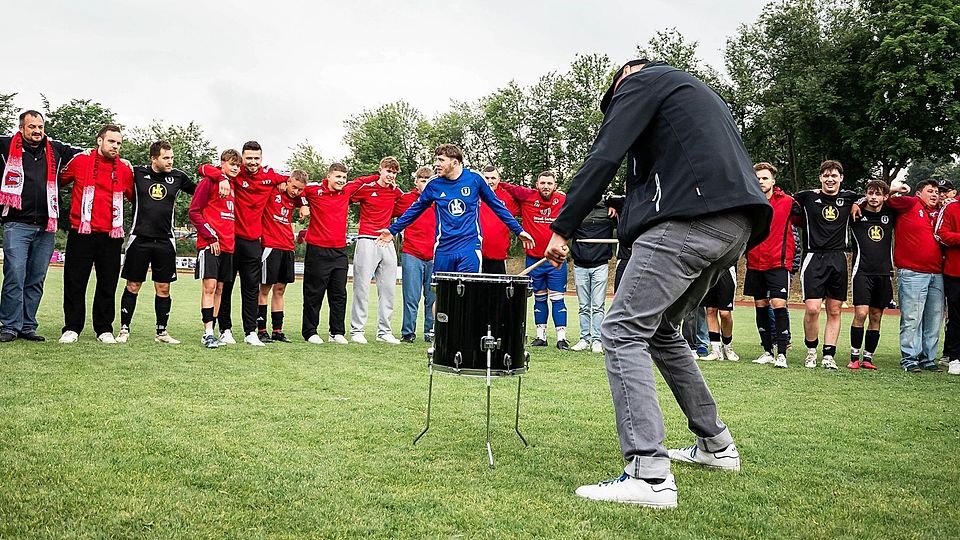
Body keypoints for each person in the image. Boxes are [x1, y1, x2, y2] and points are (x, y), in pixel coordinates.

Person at [544, 59, 771, 508]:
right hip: (734, 227)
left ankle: (648, 474)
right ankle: (716, 445)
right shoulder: (697, 97)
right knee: (662, 330)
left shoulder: (642, 81)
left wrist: (564, 225)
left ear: (625, 77)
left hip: (689, 222)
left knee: (621, 329)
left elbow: (605, 155)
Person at [378, 144, 533, 274]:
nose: (436, 164)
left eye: (441, 160)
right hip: (443, 248)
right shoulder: (434, 184)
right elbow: (415, 210)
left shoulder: (474, 178)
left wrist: (519, 231)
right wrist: (393, 230)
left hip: (469, 246)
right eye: (436, 160)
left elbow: (497, 206)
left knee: (467, 294)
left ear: (454, 162)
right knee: (442, 298)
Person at [0, 110, 81, 342]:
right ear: (21, 128)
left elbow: (87, 155)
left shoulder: (55, 148)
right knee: (15, 274)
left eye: (40, 127)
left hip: (47, 224)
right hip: (16, 223)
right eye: (32, 127)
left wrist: (120, 159)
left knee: (36, 278)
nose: (37, 131)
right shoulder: (6, 145)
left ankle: (27, 325)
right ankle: (9, 326)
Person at [198, 141, 288, 346]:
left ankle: (250, 332)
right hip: (230, 240)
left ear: (262, 159)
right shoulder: (234, 174)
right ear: (242, 158)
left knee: (251, 288)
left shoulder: (270, 176)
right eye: (249, 158)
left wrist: (302, 202)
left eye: (257, 158)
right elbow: (202, 167)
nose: (252, 162)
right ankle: (225, 329)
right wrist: (221, 177)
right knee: (225, 287)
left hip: (253, 242)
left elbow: (292, 181)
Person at [58, 124, 134, 344]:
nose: (115, 147)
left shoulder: (124, 169)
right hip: (81, 231)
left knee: (107, 283)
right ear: (99, 141)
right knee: (75, 282)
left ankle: (103, 328)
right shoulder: (80, 161)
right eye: (111, 142)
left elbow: (135, 198)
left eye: (119, 143)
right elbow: (57, 180)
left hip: (111, 235)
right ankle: (72, 327)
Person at [117, 141, 196, 345]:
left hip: (165, 241)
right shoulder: (137, 173)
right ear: (154, 158)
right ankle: (124, 329)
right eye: (166, 158)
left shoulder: (178, 177)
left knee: (163, 288)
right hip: (139, 239)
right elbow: (116, 169)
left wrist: (218, 177)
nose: (170, 161)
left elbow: (201, 191)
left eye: (171, 157)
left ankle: (161, 332)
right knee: (133, 285)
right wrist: (122, 161)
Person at [792, 160, 858, 369]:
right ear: (820, 178)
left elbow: (874, 196)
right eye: (826, 176)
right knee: (812, 308)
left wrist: (859, 203)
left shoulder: (850, 198)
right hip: (814, 257)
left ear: (841, 178)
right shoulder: (807, 197)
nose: (830, 179)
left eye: (834, 176)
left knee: (835, 309)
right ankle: (811, 351)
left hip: (838, 257)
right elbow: (783, 202)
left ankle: (829, 355)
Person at [879, 179, 944, 372]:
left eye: (936, 192)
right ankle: (910, 358)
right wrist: (896, 189)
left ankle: (928, 358)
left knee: (933, 319)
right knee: (912, 318)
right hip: (913, 272)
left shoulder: (940, 212)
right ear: (918, 193)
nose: (934, 194)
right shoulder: (910, 203)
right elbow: (881, 196)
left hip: (937, 273)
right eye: (930, 191)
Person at [501, 171, 570, 350]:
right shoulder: (527, 198)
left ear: (555, 185)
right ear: (536, 184)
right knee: (539, 298)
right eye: (543, 183)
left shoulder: (562, 200)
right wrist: (494, 181)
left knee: (557, 298)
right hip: (534, 260)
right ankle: (541, 336)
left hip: (556, 259)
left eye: (549, 183)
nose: (546, 186)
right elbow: (504, 186)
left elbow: (582, 203)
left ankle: (561, 338)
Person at [299, 163, 365, 345]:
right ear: (328, 176)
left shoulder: (347, 190)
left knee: (339, 293)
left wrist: (384, 178)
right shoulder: (314, 190)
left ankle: (336, 332)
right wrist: (304, 205)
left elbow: (363, 180)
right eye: (337, 177)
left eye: (344, 178)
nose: (341, 181)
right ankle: (310, 331)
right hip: (317, 249)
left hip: (339, 251)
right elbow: (299, 189)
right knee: (314, 293)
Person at [745, 162, 796, 368]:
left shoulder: (788, 202)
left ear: (773, 181)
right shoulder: (748, 202)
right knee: (760, 306)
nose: (761, 182)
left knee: (779, 305)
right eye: (757, 178)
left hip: (778, 263)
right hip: (755, 264)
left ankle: (781, 354)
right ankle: (767, 350)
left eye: (765, 178)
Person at [349, 157, 405, 344]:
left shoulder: (396, 192)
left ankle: (384, 331)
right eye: (388, 171)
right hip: (366, 239)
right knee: (362, 287)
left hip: (387, 241)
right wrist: (368, 179)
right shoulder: (367, 188)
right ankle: (357, 330)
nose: (391, 175)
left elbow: (405, 206)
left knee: (389, 288)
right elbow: (348, 195)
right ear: (380, 170)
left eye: (394, 172)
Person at [189, 150, 240, 348]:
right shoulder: (209, 182)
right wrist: (210, 237)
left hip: (228, 246)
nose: (235, 168)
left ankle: (215, 330)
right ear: (222, 163)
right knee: (209, 287)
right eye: (231, 164)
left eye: (238, 165)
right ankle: (207, 332)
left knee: (220, 289)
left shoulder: (233, 185)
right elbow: (194, 212)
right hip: (211, 245)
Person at [847, 180, 896, 370]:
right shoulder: (856, 214)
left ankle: (868, 357)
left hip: (884, 272)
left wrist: (895, 190)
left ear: (885, 197)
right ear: (865, 194)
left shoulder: (890, 214)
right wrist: (856, 203)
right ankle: (854, 356)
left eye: (878, 194)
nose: (873, 197)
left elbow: (899, 201)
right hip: (862, 271)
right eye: (870, 193)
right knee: (861, 313)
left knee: (876, 316)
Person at [256, 170, 307, 343]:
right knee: (264, 289)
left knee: (280, 290)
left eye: (299, 189)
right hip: (270, 246)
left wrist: (303, 202)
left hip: (287, 246)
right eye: (293, 187)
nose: (295, 192)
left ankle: (277, 330)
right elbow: (268, 173)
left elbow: (306, 193)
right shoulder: (273, 190)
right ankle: (261, 329)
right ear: (288, 181)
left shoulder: (296, 197)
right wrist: (281, 179)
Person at [395, 167, 437, 343]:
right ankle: (408, 332)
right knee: (411, 296)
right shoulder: (406, 200)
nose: (425, 183)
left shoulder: (439, 199)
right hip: (412, 253)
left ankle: (430, 331)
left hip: (435, 255)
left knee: (433, 297)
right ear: (416, 181)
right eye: (422, 179)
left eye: (429, 180)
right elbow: (387, 209)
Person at [569, 200, 616, 353]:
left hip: (600, 265)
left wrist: (615, 208)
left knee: (598, 306)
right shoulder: (578, 209)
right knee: (583, 306)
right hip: (580, 265)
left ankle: (597, 340)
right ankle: (584, 339)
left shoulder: (609, 211)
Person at [934, 187, 960, 375]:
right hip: (955, 272)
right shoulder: (952, 208)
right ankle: (954, 357)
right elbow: (940, 234)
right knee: (956, 316)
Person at [479, 165, 519, 274]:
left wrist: (556, 196)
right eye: (486, 178)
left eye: (493, 178)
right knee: (474, 289)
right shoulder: (474, 194)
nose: (490, 181)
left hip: (497, 253)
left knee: (497, 289)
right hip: (475, 252)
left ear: (499, 180)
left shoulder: (508, 197)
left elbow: (530, 205)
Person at [698, 265, 740, 361]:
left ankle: (727, 347)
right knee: (710, 310)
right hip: (709, 270)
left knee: (724, 313)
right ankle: (715, 350)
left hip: (726, 269)